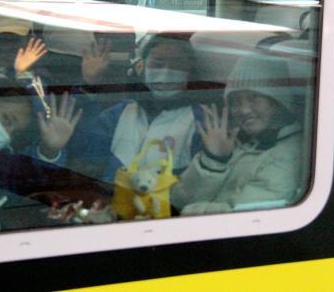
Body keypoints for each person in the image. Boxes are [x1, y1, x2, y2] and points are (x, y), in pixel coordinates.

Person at [171, 54, 304, 215]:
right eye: (236, 102)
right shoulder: (234, 142)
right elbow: (178, 200)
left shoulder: (290, 153)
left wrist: (187, 213)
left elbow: (245, 216)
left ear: (276, 102)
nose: (244, 110)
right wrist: (214, 160)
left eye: (254, 98)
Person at [71, 33, 206, 181]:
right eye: (158, 64)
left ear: (189, 72)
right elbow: (85, 151)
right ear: (142, 67)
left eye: (177, 65)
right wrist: (89, 85)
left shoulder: (201, 122)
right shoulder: (123, 111)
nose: (166, 72)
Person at [0, 13, 47, 81]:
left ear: (30, 40)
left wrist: (22, 72)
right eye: (0, 39)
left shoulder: (47, 71)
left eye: (13, 39)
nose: (6, 47)